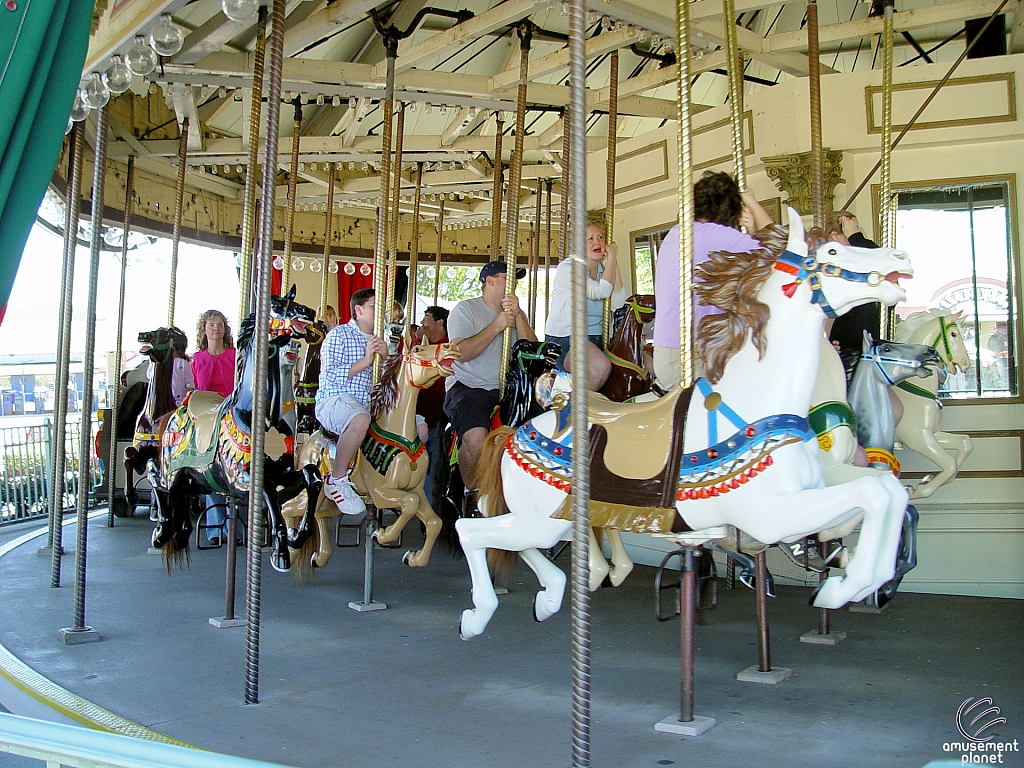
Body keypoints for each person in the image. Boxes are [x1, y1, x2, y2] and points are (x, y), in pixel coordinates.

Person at [652, 171, 773, 390]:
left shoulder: (677, 233)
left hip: (670, 351)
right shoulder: (712, 234)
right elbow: (780, 251)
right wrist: (752, 203)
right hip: (691, 354)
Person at [444, 262, 536, 494]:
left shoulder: (517, 314)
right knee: (476, 439)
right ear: (490, 281)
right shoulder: (466, 310)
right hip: (469, 386)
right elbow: (461, 354)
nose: (514, 283)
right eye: (509, 277)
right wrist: (498, 325)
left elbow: (533, 352)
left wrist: (519, 318)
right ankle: (472, 492)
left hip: (511, 389)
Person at [316, 288, 387, 513]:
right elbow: (330, 374)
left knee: (419, 427)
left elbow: (389, 383)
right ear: (359, 309)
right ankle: (336, 479)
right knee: (359, 419)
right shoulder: (339, 335)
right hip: (335, 400)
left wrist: (386, 359)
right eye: (376, 307)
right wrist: (367, 360)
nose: (381, 312)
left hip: (368, 404)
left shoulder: (381, 340)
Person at [544, 221, 626, 390]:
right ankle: (573, 411)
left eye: (600, 237)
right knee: (599, 368)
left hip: (596, 339)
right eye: (590, 238)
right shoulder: (568, 269)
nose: (597, 242)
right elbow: (600, 292)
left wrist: (612, 263)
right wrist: (612, 259)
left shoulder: (604, 271)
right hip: (566, 340)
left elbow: (618, 303)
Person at [191, 310, 237, 546]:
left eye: (219, 324)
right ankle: (214, 529)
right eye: (211, 325)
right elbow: (199, 389)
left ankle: (235, 528)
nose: (216, 328)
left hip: (230, 412)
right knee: (208, 468)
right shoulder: (198, 359)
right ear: (204, 329)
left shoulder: (234, 355)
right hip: (209, 414)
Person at [824, 210, 881, 363]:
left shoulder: (861, 267)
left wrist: (857, 239)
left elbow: (885, 266)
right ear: (835, 237)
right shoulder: (831, 269)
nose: (859, 233)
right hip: (846, 351)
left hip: (866, 350)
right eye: (853, 230)